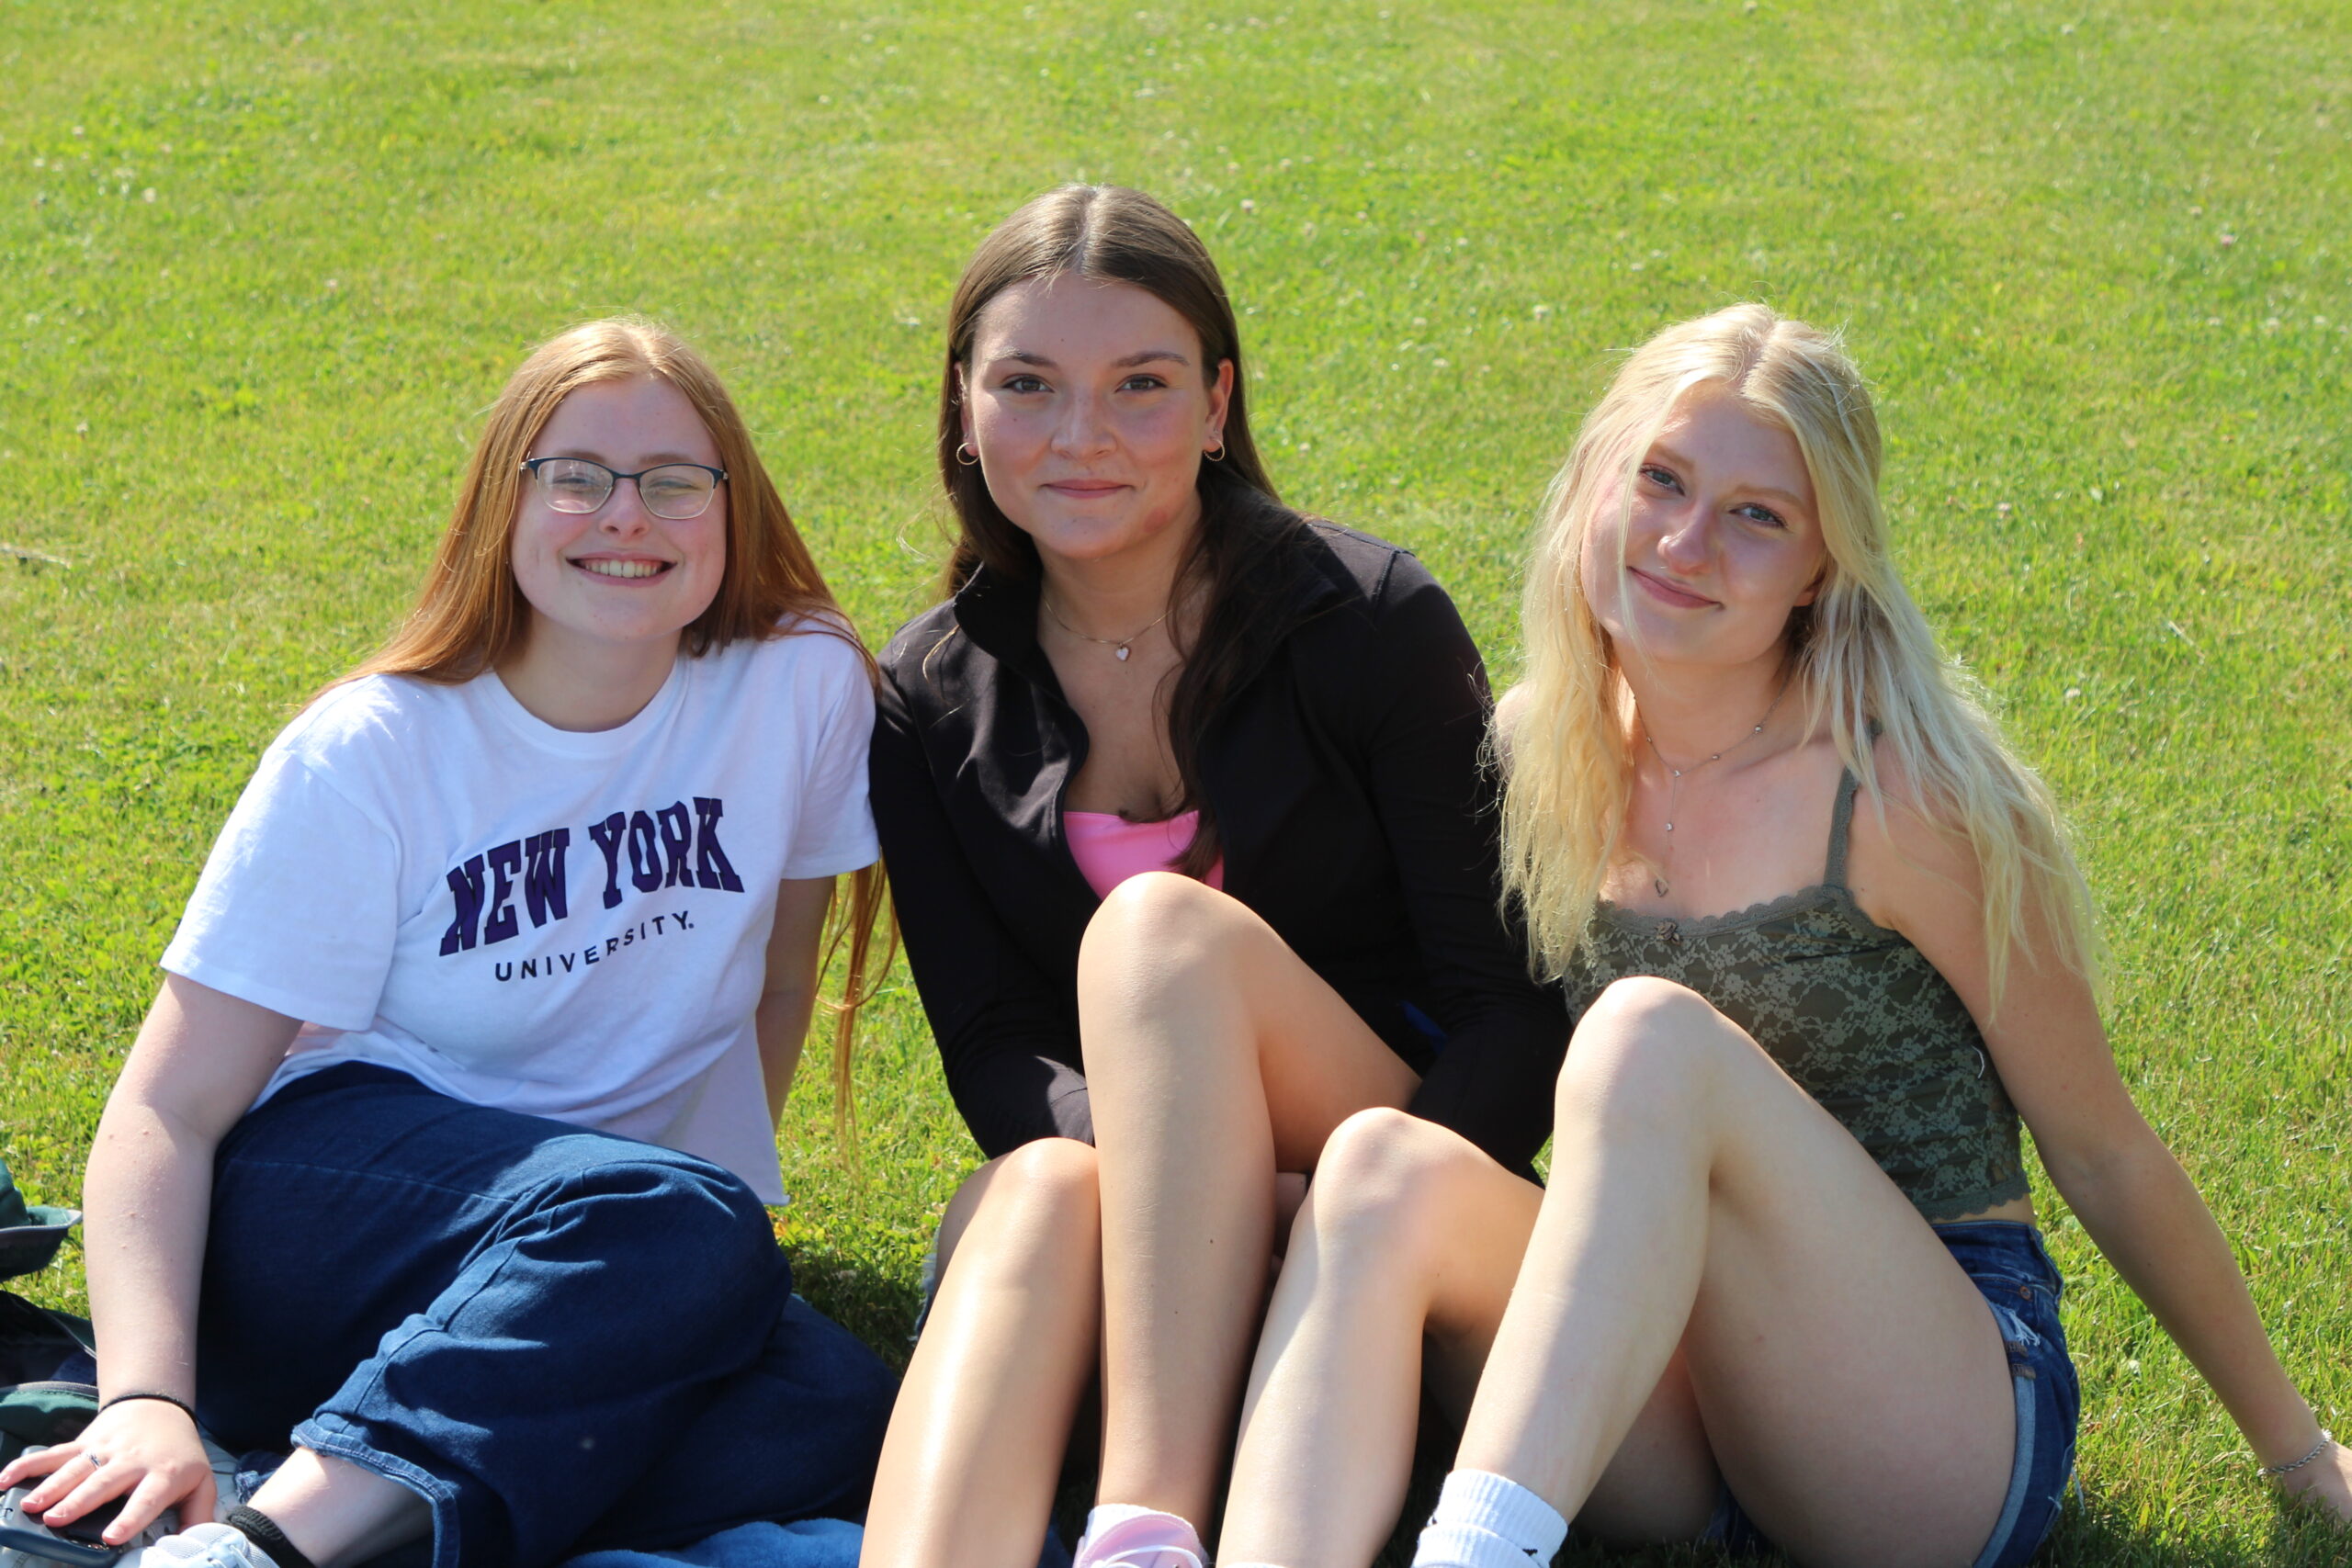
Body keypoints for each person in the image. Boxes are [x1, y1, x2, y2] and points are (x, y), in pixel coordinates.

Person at [1214, 303, 2352, 1568]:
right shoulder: (1540, 745)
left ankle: (1477, 1552)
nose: (1688, 541)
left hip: (1933, 1423)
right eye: (1661, 478)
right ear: (1594, 479)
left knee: (1651, 1037)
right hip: (1674, 1385)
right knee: (1377, 1165)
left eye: (1760, 515)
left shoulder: (1905, 799)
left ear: (1825, 563)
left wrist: (2301, 1456)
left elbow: (2104, 1150)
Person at [0, 320, 897, 1568]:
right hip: (322, 1201)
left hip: (589, 1242)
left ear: (734, 508)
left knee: (839, 1410)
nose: (624, 517)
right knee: (673, 1229)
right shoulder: (371, 754)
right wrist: (146, 1397)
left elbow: (779, 980)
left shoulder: (798, 686)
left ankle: (337, 1472)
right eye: (575, 476)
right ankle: (261, 1547)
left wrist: (691, 1252)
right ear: (500, 503)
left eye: (675, 481)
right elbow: (168, 1107)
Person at [860, 185, 1565, 1568]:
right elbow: (994, 1053)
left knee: (1161, 937)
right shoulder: (927, 694)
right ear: (962, 405)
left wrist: (1324, 1216)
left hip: (1387, 1180)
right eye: (1028, 384)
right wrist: (1180, 1195)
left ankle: (1145, 1521)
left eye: (1140, 385)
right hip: (1129, 1197)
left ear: (1217, 402)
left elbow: (1514, 1017)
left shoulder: (1369, 624)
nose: (1082, 435)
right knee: (1038, 1195)